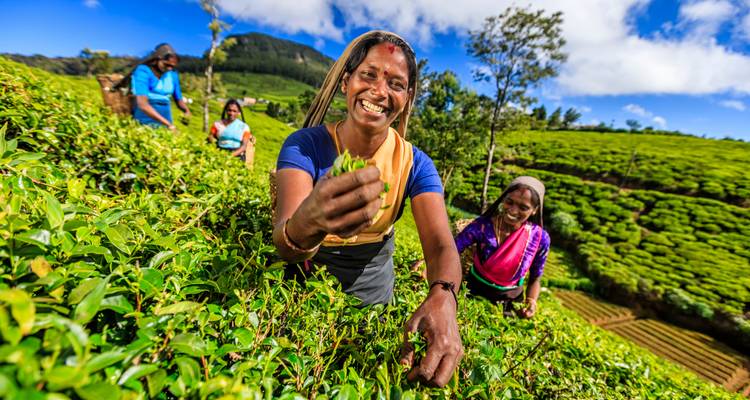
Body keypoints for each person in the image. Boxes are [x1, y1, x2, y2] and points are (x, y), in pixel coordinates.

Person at [273, 31, 463, 387]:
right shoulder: (305, 146)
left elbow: (439, 244)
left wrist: (443, 295)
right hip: (304, 274)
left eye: (395, 83)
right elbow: (285, 242)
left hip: (372, 280)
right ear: (346, 83)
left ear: (406, 100)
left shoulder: (415, 164)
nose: (379, 91)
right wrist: (309, 222)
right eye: (368, 75)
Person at [454, 176, 550, 318]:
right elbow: (453, 249)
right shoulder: (482, 226)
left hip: (509, 304)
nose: (513, 210)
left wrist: (531, 301)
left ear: (535, 210)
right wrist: (428, 264)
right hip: (472, 293)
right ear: (503, 199)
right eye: (509, 202)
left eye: (523, 208)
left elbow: (535, 278)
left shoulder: (539, 238)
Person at [131, 43, 191, 130]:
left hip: (166, 116)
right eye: (166, 64)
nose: (169, 68)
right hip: (145, 116)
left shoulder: (173, 75)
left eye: (172, 66)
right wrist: (168, 124)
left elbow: (179, 100)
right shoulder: (143, 71)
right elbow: (142, 104)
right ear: (157, 60)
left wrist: (186, 110)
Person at [209, 99, 254, 164]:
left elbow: (244, 146)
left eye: (234, 111)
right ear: (226, 111)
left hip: (237, 155)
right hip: (219, 152)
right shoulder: (217, 124)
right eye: (229, 110)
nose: (231, 113)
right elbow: (210, 136)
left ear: (238, 112)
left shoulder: (244, 127)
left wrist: (230, 156)